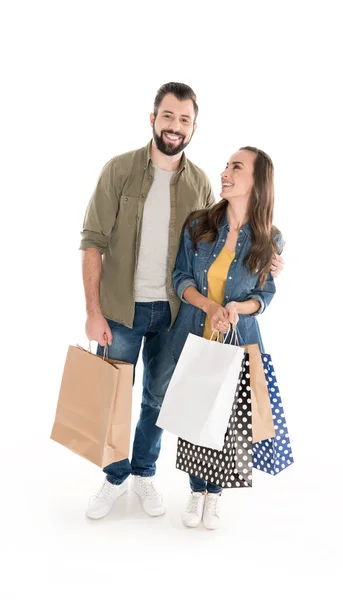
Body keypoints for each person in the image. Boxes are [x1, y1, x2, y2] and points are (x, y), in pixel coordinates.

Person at [80, 82, 284, 520]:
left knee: (157, 398)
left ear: (193, 127)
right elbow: (92, 241)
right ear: (153, 119)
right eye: (168, 116)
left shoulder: (199, 184)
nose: (175, 126)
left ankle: (143, 474)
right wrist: (93, 311)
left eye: (184, 120)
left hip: (173, 314)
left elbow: (221, 247)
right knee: (113, 396)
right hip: (121, 308)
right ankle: (113, 479)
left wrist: (269, 260)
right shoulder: (118, 171)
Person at [168, 145, 283, 530]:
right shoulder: (199, 224)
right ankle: (195, 490)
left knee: (226, 420)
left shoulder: (270, 239)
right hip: (194, 333)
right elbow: (180, 278)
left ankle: (213, 495)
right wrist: (208, 306)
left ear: (256, 181)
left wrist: (237, 308)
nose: (226, 171)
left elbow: (264, 297)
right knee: (194, 414)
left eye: (237, 166)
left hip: (240, 339)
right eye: (226, 165)